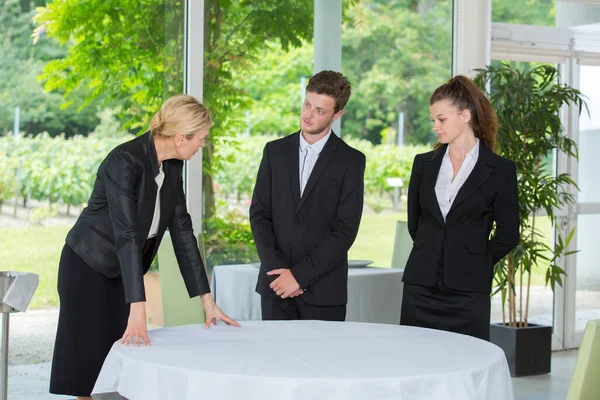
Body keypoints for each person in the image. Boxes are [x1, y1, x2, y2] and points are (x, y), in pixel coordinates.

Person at [49, 94, 239, 400]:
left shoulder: (173, 166)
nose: (201, 145)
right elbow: (126, 234)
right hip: (87, 267)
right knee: (88, 371)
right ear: (180, 138)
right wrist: (139, 306)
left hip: (124, 269)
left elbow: (183, 233)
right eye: (201, 139)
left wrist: (207, 299)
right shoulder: (124, 160)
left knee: (122, 363)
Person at [400, 75, 519, 341]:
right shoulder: (424, 164)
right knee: (414, 356)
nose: (435, 127)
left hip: (468, 289)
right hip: (420, 285)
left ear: (465, 116)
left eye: (441, 119)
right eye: (433, 120)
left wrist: (477, 258)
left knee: (468, 362)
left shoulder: (499, 170)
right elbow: (415, 222)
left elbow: (509, 233)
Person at [249, 70, 366, 322]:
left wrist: (299, 277)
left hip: (324, 293)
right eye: (307, 104)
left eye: (320, 111)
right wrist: (280, 275)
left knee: (324, 362)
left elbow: (345, 230)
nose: (308, 115)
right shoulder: (274, 152)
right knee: (272, 361)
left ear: (337, 114)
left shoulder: (351, 161)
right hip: (275, 287)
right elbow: (259, 215)